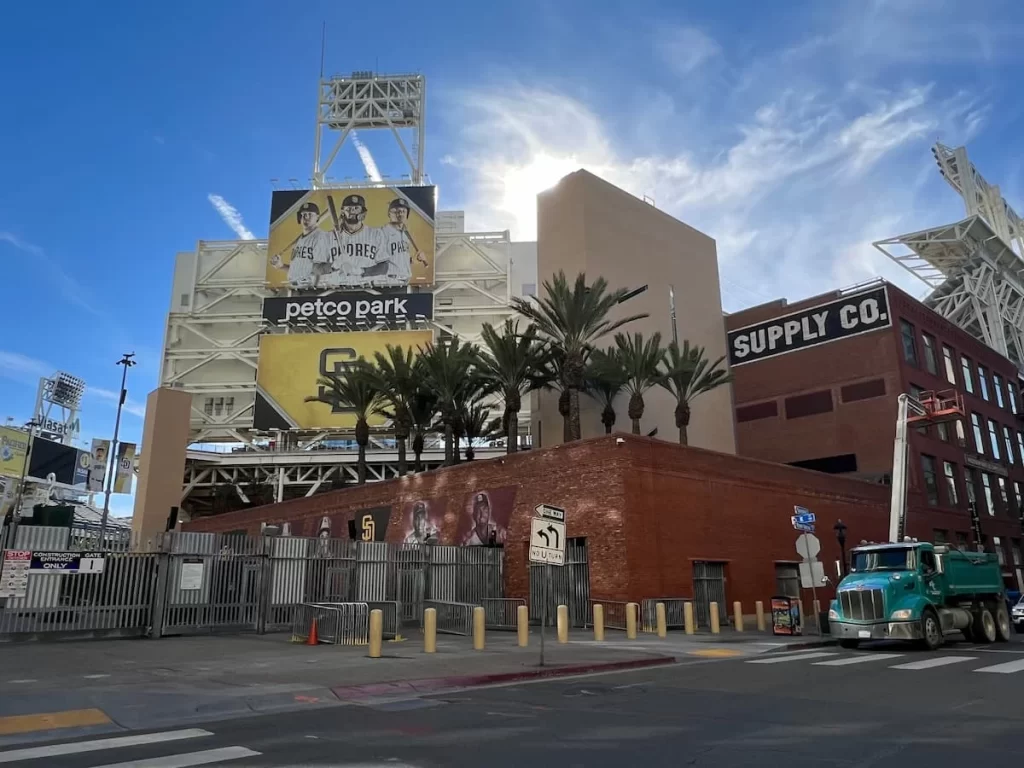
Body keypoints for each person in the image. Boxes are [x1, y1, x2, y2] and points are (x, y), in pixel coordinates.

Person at [269, 201, 335, 290]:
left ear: (317, 217)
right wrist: (281, 266)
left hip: (312, 291)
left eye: (310, 214)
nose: (306, 217)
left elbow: (321, 270)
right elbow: (298, 270)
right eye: (303, 214)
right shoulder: (300, 241)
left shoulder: (321, 238)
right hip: (297, 289)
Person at [322, 193, 384, 286]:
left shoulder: (376, 234)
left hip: (367, 288)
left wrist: (361, 271)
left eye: (356, 208)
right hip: (335, 289)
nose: (352, 211)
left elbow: (384, 266)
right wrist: (333, 266)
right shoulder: (328, 237)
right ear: (343, 211)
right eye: (349, 208)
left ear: (363, 212)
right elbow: (315, 267)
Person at [376, 198, 428, 285]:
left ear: (407, 214)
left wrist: (413, 260)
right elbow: (378, 261)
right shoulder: (383, 232)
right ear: (390, 214)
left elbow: (398, 258)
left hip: (404, 281)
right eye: (397, 211)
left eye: (404, 211)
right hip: (388, 281)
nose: (401, 214)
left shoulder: (406, 234)